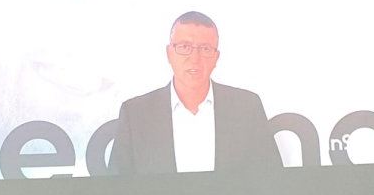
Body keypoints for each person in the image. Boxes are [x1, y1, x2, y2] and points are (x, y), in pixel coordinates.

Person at [110, 11, 280, 175]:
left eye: (205, 49)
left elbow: (272, 182)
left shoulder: (247, 108)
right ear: (169, 54)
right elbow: (116, 190)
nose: (194, 59)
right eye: (184, 47)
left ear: (216, 57)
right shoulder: (135, 114)